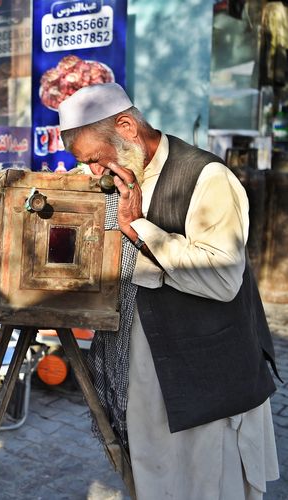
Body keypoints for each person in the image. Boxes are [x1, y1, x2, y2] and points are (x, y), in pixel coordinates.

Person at [57, 82, 279, 499]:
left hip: (205, 377)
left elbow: (223, 277)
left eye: (94, 159)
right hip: (142, 375)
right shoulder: (118, 170)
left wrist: (140, 230)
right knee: (155, 482)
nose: (93, 173)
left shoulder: (207, 177)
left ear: (126, 126)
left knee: (209, 484)